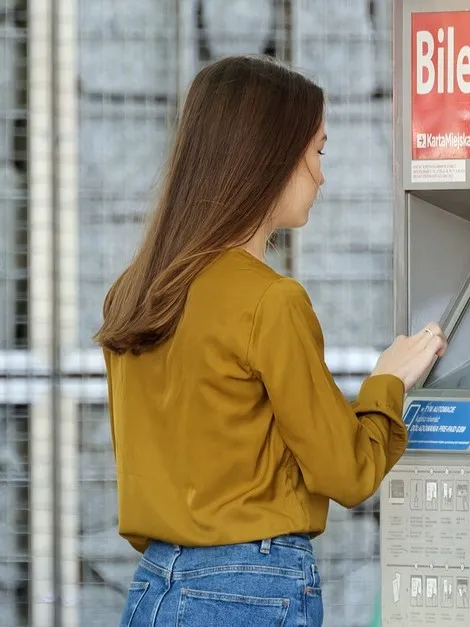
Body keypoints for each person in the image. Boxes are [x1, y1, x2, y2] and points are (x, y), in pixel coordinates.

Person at [94, 55, 447, 627]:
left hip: (159, 586)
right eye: (318, 152)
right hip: (249, 590)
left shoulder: (134, 294)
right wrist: (387, 384)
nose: (322, 175)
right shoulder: (270, 302)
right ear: (272, 157)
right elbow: (348, 472)